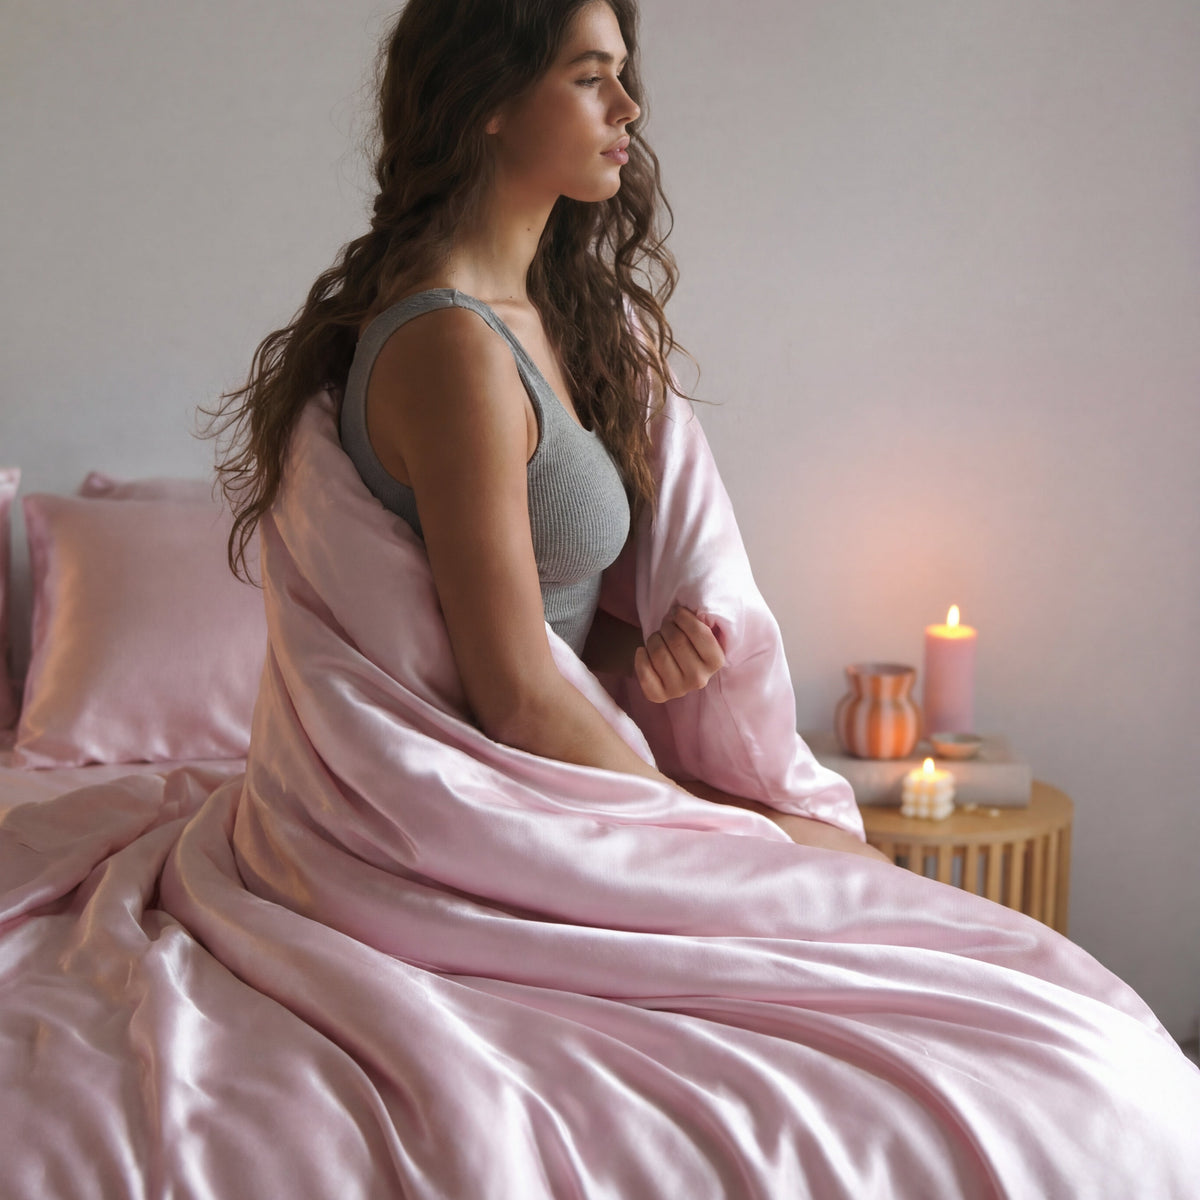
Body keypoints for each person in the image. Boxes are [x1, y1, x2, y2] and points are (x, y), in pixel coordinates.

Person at [205, 0, 887, 864]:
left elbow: (510, 614)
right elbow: (516, 697)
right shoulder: (452, 345)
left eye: (620, 74)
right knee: (857, 873)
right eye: (589, 78)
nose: (627, 106)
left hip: (558, 761)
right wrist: (711, 829)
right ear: (488, 99)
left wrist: (640, 649)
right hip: (504, 791)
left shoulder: (546, 318)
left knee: (857, 864)